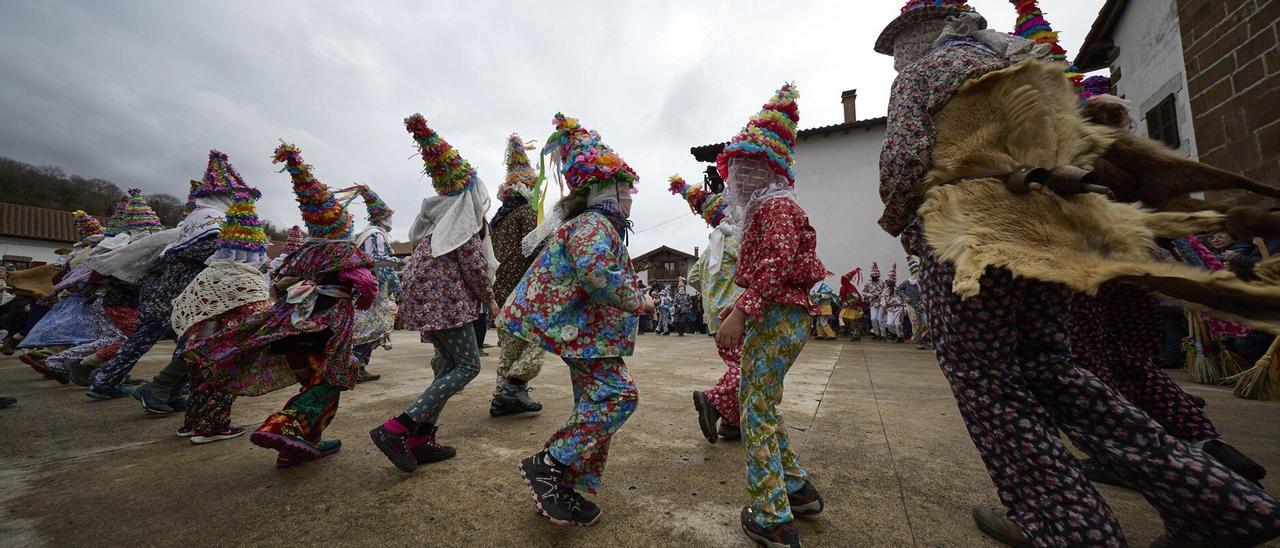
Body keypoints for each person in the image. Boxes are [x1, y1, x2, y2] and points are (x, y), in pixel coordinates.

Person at [875, 2, 1280, 545]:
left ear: (912, 39)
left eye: (898, 48)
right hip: (1050, 233)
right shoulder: (1024, 72)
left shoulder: (925, 75)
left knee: (987, 380)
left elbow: (903, 160)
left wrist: (898, 218)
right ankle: (1217, 502)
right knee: (1050, 363)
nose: (898, 60)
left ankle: (1072, 527)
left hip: (973, 233)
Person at [187, 143, 375, 466]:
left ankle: (300, 446)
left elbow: (278, 281)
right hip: (326, 333)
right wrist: (363, 296)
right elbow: (367, 288)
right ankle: (283, 425)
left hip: (292, 330)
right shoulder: (346, 254)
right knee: (330, 383)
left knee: (312, 382)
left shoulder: (302, 254)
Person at [502, 113, 645, 527]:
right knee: (619, 396)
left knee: (593, 402)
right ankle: (547, 465)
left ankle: (562, 483)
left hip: (589, 336)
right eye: (626, 190)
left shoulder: (594, 224)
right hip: (579, 333)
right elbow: (597, 275)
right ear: (606, 191)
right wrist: (640, 302)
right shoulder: (594, 224)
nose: (631, 198)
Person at [715, 84, 827, 547]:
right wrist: (736, 305)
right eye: (736, 167)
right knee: (762, 400)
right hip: (779, 312)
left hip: (780, 315)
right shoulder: (769, 207)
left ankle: (772, 515)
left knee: (754, 408)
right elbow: (769, 268)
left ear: (767, 169)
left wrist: (743, 310)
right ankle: (796, 489)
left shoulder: (777, 207)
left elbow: (778, 263)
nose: (737, 177)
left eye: (746, 166)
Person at [369, 114, 498, 473]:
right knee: (468, 367)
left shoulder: (435, 224)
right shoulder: (461, 226)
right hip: (448, 307)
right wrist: (490, 299)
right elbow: (475, 268)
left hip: (432, 306)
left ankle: (420, 438)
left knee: (448, 367)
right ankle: (398, 428)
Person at [129, 151, 260, 413]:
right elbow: (208, 252)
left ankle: (170, 391)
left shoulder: (197, 218)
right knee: (200, 341)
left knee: (195, 341)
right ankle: (158, 387)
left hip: (191, 284)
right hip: (200, 285)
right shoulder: (213, 221)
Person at [88, 177, 228, 400]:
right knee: (190, 339)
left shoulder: (190, 223)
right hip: (181, 290)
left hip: (159, 290)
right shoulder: (212, 222)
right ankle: (167, 390)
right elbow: (206, 252)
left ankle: (105, 381)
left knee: (141, 339)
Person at [158, 189, 271, 443]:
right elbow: (257, 312)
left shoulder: (209, 273)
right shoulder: (246, 278)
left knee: (199, 384)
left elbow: (185, 303)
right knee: (221, 387)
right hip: (225, 345)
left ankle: (191, 424)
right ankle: (211, 428)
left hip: (198, 341)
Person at [674, 174, 744, 444]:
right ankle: (712, 400)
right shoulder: (732, 239)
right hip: (734, 314)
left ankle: (731, 422)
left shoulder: (709, 248)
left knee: (735, 364)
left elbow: (693, 279)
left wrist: (712, 290)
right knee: (746, 366)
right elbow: (750, 263)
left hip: (715, 318)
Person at [489, 133, 547, 417]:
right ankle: (515, 386)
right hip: (525, 289)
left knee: (509, 346)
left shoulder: (496, 220)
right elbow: (541, 251)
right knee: (537, 339)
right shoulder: (528, 214)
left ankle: (502, 398)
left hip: (501, 289)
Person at [345, 184, 401, 384]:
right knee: (369, 327)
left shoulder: (372, 233)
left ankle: (357, 366)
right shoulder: (375, 234)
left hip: (370, 287)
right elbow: (374, 259)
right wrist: (396, 262)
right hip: (372, 289)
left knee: (369, 327)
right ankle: (356, 366)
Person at [838, 269, 865, 341]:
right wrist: (840, 298)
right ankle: (853, 332)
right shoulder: (843, 288)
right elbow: (841, 295)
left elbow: (856, 298)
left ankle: (856, 334)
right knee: (845, 319)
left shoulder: (851, 288)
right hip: (846, 307)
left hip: (853, 307)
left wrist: (848, 302)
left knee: (853, 321)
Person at [861, 263, 886, 340]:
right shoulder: (868, 283)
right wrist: (870, 295)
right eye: (873, 276)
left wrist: (880, 296)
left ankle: (883, 335)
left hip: (881, 303)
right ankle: (876, 333)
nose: (874, 277)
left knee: (880, 319)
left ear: (878, 276)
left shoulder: (882, 283)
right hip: (872, 303)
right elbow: (863, 292)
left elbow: (886, 292)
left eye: (876, 276)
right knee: (873, 319)